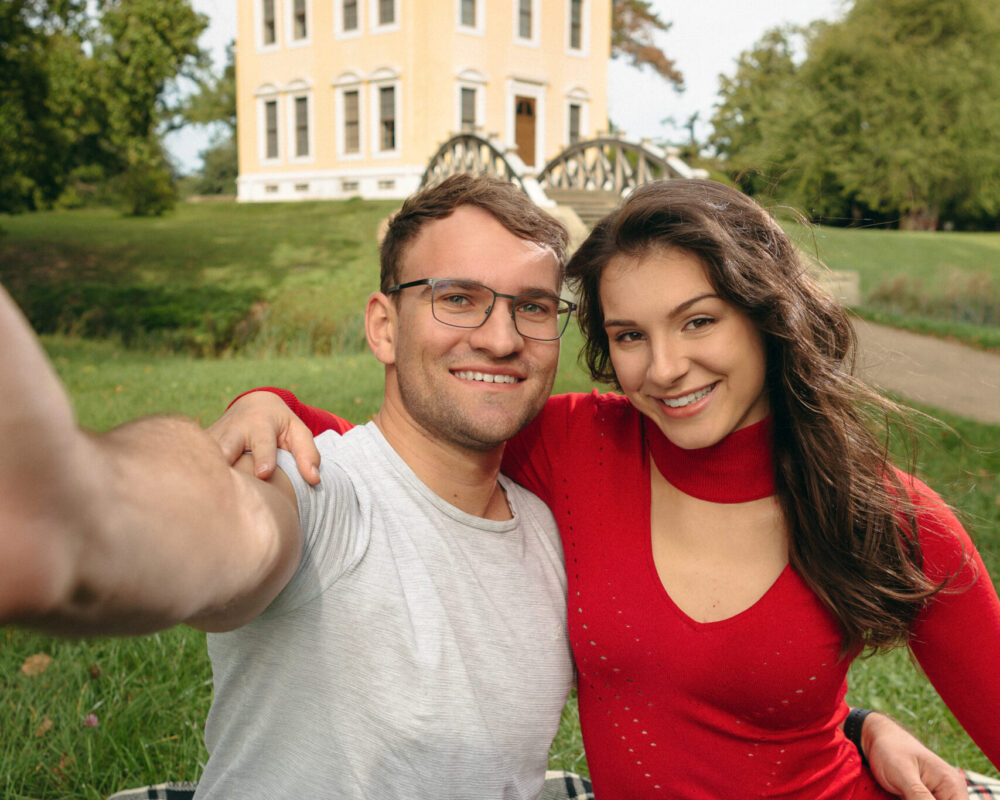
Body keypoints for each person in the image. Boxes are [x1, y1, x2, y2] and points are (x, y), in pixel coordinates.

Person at [216, 178, 1000, 799]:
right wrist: (269, 402)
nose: (663, 369)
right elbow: (420, 431)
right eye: (630, 336)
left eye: (699, 321)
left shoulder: (884, 513)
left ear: (767, 315)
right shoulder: (578, 445)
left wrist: (863, 731)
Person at [0, 176, 585, 799]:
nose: (501, 339)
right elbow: (229, 519)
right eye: (459, 299)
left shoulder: (554, 533)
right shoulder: (324, 489)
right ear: (383, 327)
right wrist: (84, 510)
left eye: (533, 307)